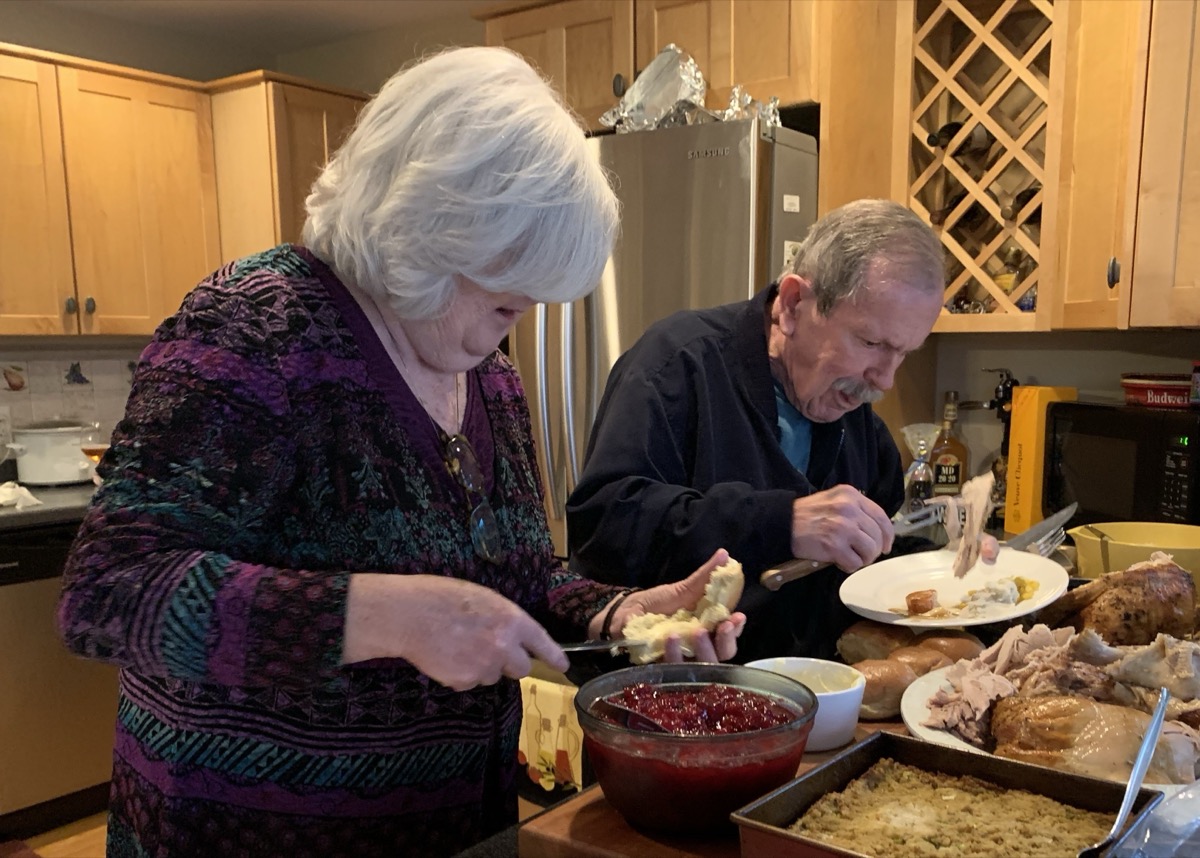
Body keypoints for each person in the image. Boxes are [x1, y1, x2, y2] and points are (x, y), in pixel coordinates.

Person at [56, 47, 744, 858]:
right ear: (425, 229)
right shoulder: (253, 329)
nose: (514, 323)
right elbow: (109, 594)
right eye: (504, 299)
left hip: (458, 825)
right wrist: (381, 615)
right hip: (245, 833)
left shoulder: (486, 373)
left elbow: (509, 577)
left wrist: (620, 612)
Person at [566, 199, 956, 663]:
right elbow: (605, 528)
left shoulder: (856, 421)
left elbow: (878, 556)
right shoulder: (678, 365)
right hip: (675, 703)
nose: (886, 379)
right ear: (793, 305)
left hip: (818, 706)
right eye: (871, 343)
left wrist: (948, 568)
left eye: (903, 353)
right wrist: (782, 522)